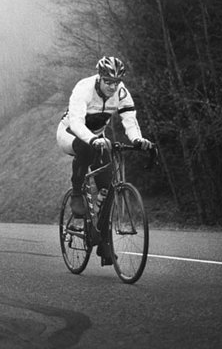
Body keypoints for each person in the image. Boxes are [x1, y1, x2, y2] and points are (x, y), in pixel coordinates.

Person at [56, 56, 152, 265]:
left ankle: (104, 241)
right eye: (108, 81)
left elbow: (129, 119)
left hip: (96, 138)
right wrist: (92, 139)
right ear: (99, 77)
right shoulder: (84, 88)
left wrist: (137, 139)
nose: (112, 86)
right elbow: (77, 122)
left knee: (108, 185)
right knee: (86, 147)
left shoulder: (121, 92)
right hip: (70, 134)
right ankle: (77, 194)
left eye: (116, 82)